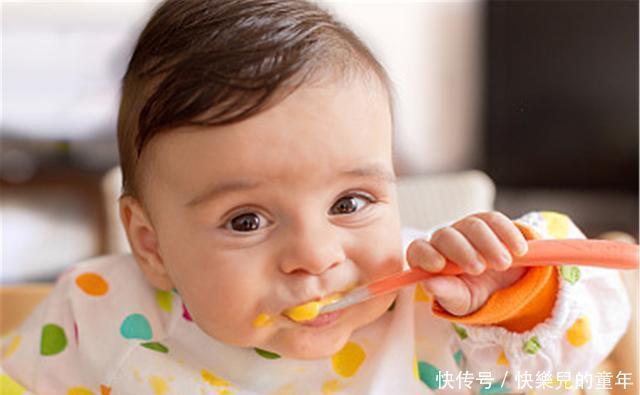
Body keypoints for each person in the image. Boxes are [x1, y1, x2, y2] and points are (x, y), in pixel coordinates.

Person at [1, 1, 630, 394]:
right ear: (151, 243)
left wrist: (514, 298)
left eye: (351, 203)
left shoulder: (438, 313)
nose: (314, 256)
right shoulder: (97, 317)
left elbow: (577, 351)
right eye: (246, 220)